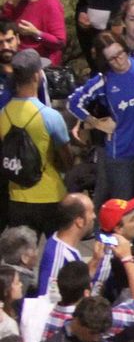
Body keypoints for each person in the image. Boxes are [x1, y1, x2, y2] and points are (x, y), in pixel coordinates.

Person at [1, 49, 70, 234]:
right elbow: (66, 157)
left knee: (20, 258)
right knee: (56, 255)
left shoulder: (2, 115)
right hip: (51, 196)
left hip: (16, 198)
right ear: (36, 76)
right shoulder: (50, 116)